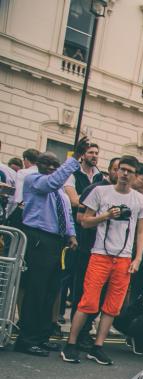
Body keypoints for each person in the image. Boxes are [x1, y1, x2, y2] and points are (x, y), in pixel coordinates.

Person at [62, 154, 143, 365]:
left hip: (123, 260)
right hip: (100, 255)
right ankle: (71, 344)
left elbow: (141, 232)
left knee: (112, 307)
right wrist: (106, 216)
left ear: (135, 175)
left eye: (130, 171)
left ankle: (98, 347)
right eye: (122, 169)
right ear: (116, 170)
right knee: (88, 302)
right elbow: (84, 222)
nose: (125, 174)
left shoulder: (141, 201)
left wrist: (137, 258)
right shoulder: (101, 192)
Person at [12, 142, 82, 356]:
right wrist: (74, 159)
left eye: (55, 164)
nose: (52, 167)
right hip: (39, 239)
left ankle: (42, 337)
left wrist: (71, 234)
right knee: (36, 291)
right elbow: (52, 182)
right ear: (38, 164)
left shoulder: (59, 190)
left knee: (51, 292)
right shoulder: (35, 180)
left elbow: (67, 213)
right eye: (47, 163)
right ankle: (26, 339)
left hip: (57, 241)